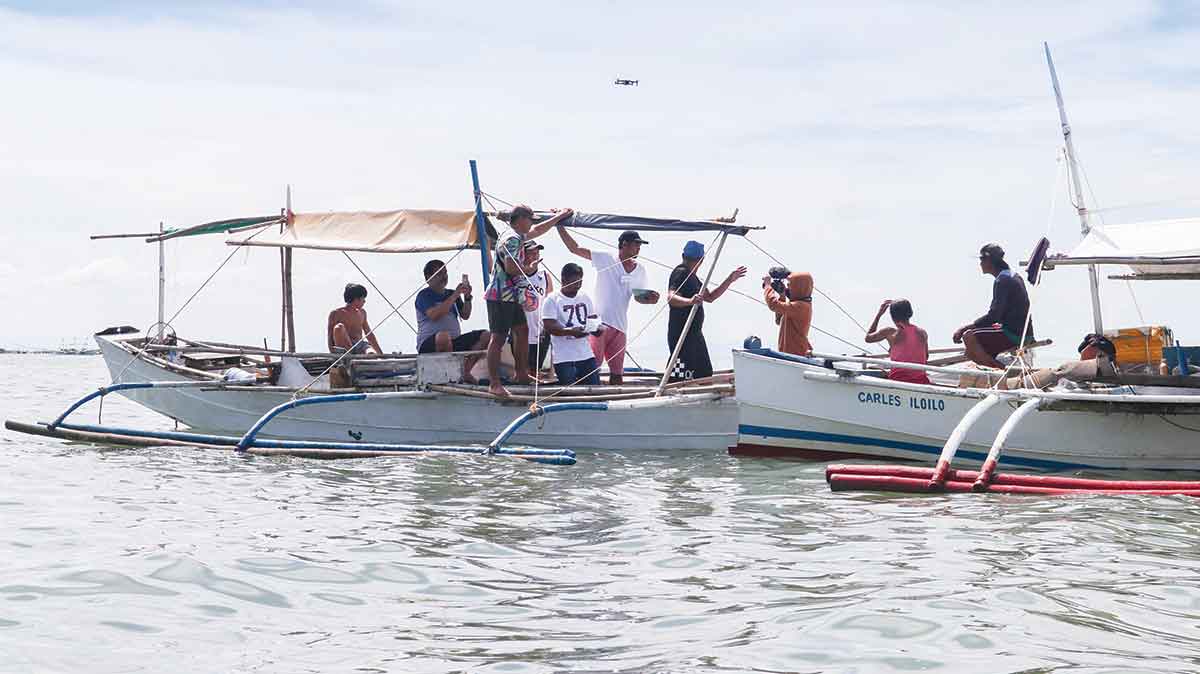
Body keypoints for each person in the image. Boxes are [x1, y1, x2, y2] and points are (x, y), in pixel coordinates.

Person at [484, 204, 574, 397]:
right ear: (521, 219)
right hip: (500, 296)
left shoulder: (515, 235)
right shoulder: (512, 240)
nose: (531, 224)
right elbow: (510, 268)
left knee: (522, 331)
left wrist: (558, 217)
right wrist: (530, 267)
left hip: (512, 295)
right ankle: (494, 383)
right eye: (530, 220)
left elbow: (539, 230)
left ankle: (522, 373)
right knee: (498, 338)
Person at [557, 227, 660, 384]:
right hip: (598, 323)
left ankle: (614, 404)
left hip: (620, 327)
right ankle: (588, 400)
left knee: (618, 373)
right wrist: (559, 226)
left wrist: (651, 299)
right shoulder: (606, 258)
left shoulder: (640, 269)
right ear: (624, 244)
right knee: (592, 369)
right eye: (636, 244)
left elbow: (639, 297)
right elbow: (575, 249)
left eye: (640, 245)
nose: (639, 248)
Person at [666, 240, 747, 381]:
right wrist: (690, 301)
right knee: (679, 371)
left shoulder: (693, 277)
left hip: (694, 333)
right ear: (701, 260)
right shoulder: (681, 272)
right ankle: (670, 390)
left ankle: (698, 393)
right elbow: (671, 297)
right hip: (682, 332)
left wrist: (729, 279)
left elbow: (710, 297)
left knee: (704, 371)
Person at [953, 243, 1033, 369]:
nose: (980, 264)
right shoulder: (1012, 276)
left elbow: (994, 315)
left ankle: (1003, 372)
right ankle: (998, 373)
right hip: (1023, 332)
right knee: (971, 352)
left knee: (968, 336)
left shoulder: (1002, 280)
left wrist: (963, 328)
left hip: (1014, 334)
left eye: (981, 260)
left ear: (989, 261)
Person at [414, 259, 489, 383]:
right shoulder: (424, 295)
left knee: (486, 335)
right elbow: (434, 315)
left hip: (453, 341)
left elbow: (465, 314)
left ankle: (465, 372)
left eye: (445, 273)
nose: (444, 277)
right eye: (439, 274)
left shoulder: (450, 293)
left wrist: (467, 297)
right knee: (443, 336)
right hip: (430, 344)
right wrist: (455, 295)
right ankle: (450, 374)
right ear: (428, 277)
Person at [541, 263, 602, 386]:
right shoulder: (552, 300)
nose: (577, 286)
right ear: (564, 280)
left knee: (595, 387)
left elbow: (593, 319)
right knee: (570, 391)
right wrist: (570, 331)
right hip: (564, 358)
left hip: (586, 355)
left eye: (580, 282)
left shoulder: (585, 297)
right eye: (574, 282)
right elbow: (549, 326)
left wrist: (597, 328)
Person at [866, 299, 931, 384]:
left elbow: (868, 338)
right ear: (910, 313)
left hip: (898, 381)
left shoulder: (889, 332)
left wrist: (879, 315)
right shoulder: (922, 332)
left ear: (892, 316)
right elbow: (926, 357)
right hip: (921, 381)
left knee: (871, 368)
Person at [518, 240, 553, 375]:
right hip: (521, 330)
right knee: (522, 369)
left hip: (539, 330)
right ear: (523, 255)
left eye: (537, 253)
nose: (535, 255)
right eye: (531, 253)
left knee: (534, 369)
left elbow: (549, 303)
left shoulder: (544, 276)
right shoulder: (517, 275)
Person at [762, 266, 814, 356]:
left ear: (798, 287)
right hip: (789, 354)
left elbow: (773, 305)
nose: (788, 287)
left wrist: (767, 285)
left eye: (791, 285)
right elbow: (779, 321)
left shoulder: (801, 306)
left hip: (797, 354)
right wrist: (782, 296)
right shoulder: (797, 305)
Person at [328, 283, 383, 355]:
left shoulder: (362, 313)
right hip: (345, 348)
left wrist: (381, 354)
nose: (364, 301)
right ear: (356, 299)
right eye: (363, 298)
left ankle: (372, 357)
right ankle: (349, 356)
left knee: (370, 352)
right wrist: (333, 354)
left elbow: (369, 335)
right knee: (339, 327)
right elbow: (330, 337)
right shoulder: (336, 313)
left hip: (360, 346)